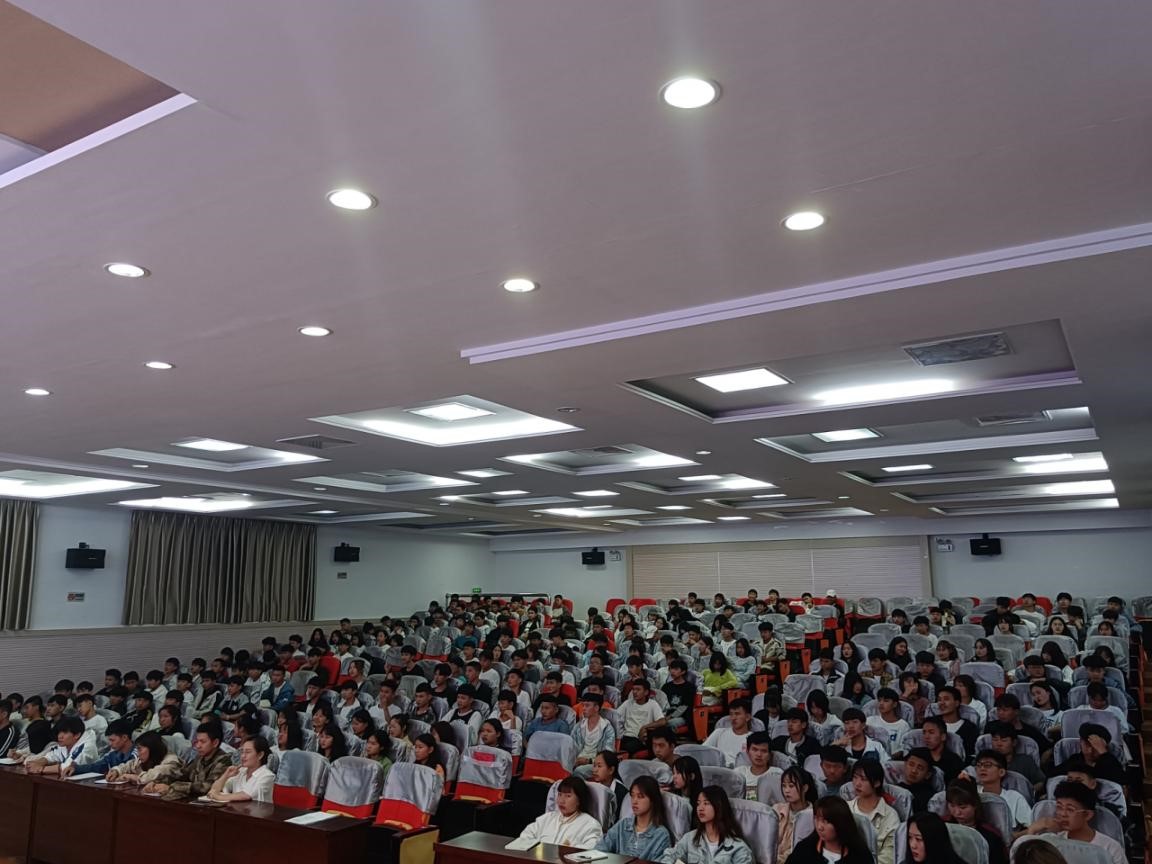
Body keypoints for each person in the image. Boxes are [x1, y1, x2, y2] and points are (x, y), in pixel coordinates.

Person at [1016, 781, 1124, 864]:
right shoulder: (1052, 840)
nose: (1062, 814)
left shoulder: (1110, 848)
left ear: (1087, 815)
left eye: (1070, 809)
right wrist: (1032, 830)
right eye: (1059, 807)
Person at [661, 785, 754, 864]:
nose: (700, 808)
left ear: (719, 806)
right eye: (698, 803)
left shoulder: (738, 847)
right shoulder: (690, 838)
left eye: (706, 803)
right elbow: (670, 856)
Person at [145, 721, 233, 800]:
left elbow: (207, 787)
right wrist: (157, 782)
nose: (198, 746)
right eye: (197, 741)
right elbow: (182, 774)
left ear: (215, 743)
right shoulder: (200, 757)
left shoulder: (224, 760)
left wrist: (172, 787)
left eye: (202, 742)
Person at [516, 774, 604, 849]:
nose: (561, 801)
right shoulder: (547, 818)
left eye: (568, 796)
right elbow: (525, 836)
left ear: (579, 800)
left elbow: (591, 850)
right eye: (560, 794)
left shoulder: (590, 825)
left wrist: (569, 850)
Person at [597, 775, 674, 859]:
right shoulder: (623, 825)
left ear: (652, 800)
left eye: (640, 797)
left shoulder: (661, 835)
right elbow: (600, 849)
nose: (634, 801)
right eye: (632, 796)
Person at [784, 795, 874, 864]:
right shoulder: (804, 850)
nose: (819, 827)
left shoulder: (860, 856)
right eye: (816, 819)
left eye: (826, 821)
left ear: (840, 823)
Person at [849, 759, 901, 864]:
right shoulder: (845, 808)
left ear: (877, 783)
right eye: (855, 777)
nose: (857, 784)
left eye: (863, 779)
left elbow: (889, 856)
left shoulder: (890, 815)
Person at [944, 779, 1008, 864]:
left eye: (963, 807)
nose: (956, 812)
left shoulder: (991, 836)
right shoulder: (942, 827)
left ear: (975, 805)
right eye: (952, 806)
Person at [974, 749, 1031, 832]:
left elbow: (1032, 826)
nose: (982, 768)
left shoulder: (1014, 797)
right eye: (979, 765)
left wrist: (1014, 836)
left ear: (1001, 772)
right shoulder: (972, 792)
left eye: (988, 765)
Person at [19, 716, 99, 774]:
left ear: (77, 735)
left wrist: (41, 769)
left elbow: (69, 767)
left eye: (65, 732)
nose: (59, 736)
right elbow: (51, 756)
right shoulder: (66, 743)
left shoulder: (87, 746)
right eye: (59, 732)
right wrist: (38, 762)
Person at [205, 736, 274, 802]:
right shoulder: (240, 771)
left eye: (248, 752)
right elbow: (214, 790)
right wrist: (226, 775)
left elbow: (246, 795)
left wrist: (218, 797)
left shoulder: (267, 776)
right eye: (242, 752)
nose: (243, 756)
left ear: (260, 755)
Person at [773, 767, 818, 862]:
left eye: (791, 786)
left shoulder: (813, 815)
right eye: (784, 786)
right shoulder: (777, 809)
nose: (786, 790)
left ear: (805, 788)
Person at [105, 731, 183, 785]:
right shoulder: (145, 759)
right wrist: (116, 771)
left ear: (152, 748)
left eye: (140, 749)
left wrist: (130, 776)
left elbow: (152, 776)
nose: (137, 753)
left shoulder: (171, 761)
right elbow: (128, 766)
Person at [618, 679, 665, 755]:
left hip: (640, 739)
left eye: (638, 690)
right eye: (633, 689)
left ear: (646, 692)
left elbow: (662, 721)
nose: (634, 692)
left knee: (628, 748)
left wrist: (645, 727)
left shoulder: (653, 704)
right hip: (626, 736)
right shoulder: (628, 703)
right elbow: (616, 716)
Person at [572, 692, 616, 773]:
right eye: (583, 705)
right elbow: (571, 746)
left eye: (587, 706)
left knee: (579, 771)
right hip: (577, 759)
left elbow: (608, 753)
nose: (583, 708)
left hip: (595, 763)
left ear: (596, 708)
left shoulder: (607, 728)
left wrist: (589, 761)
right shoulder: (578, 726)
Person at [703, 698, 754, 767]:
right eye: (731, 714)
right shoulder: (719, 732)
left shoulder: (753, 738)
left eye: (737, 714)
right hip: (718, 769)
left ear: (747, 717)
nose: (733, 718)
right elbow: (702, 751)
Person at [935, 686, 979, 759]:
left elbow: (971, 755)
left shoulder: (970, 728)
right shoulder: (931, 723)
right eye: (939, 699)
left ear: (957, 703)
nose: (941, 703)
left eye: (946, 699)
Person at [920, 716, 965, 782]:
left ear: (943, 737)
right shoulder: (918, 754)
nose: (926, 737)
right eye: (924, 733)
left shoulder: (954, 761)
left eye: (931, 732)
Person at [867, 688, 911, 756]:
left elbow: (903, 749)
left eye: (886, 701)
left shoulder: (903, 726)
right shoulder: (869, 721)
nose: (881, 703)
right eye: (879, 700)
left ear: (894, 704)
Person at [736, 731, 777, 799]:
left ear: (769, 755)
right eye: (755, 750)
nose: (759, 754)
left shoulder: (776, 774)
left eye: (763, 751)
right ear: (747, 752)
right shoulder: (739, 773)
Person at [590, 750, 629, 817]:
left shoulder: (622, 793)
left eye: (599, 766)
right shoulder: (593, 786)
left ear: (611, 770)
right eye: (594, 765)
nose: (594, 770)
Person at [899, 748, 939, 814]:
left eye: (920, 768)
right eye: (911, 765)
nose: (914, 771)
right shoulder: (894, 790)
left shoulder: (931, 798)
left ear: (928, 775)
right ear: (905, 765)